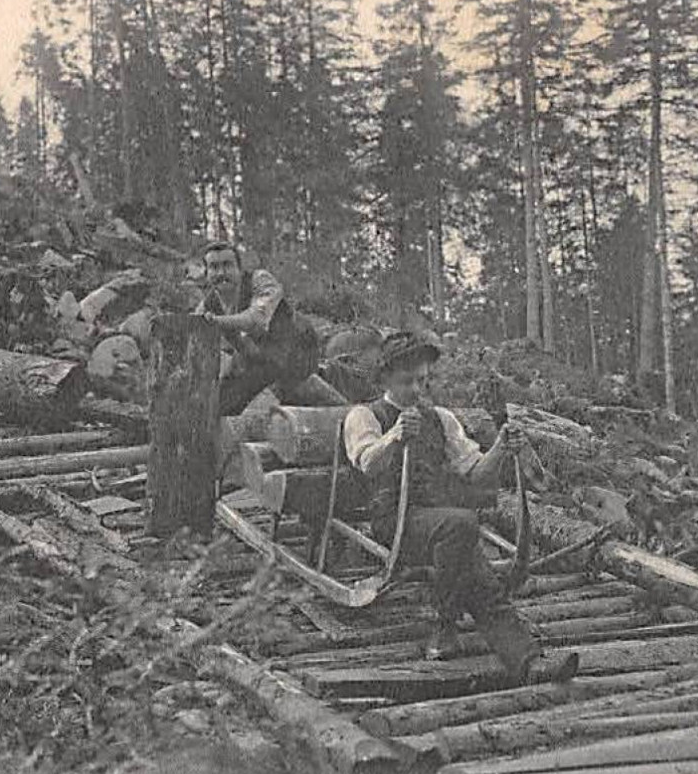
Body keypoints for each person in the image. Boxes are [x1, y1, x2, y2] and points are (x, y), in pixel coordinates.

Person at [342, 332, 577, 685]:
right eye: (408, 382)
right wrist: (395, 436)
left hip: (444, 524)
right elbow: (366, 463)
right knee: (462, 527)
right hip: (396, 521)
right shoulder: (364, 416)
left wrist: (500, 448)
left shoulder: (441, 419)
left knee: (480, 579)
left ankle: (530, 663)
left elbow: (476, 472)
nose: (417, 390)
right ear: (385, 379)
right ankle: (444, 623)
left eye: (422, 380)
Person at [192, 242, 323, 415]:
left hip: (295, 353)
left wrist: (216, 322)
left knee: (287, 393)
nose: (221, 273)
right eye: (214, 267)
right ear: (207, 273)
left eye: (227, 265)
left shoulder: (260, 280)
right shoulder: (208, 304)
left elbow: (257, 318)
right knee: (218, 402)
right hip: (256, 361)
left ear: (239, 269)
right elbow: (194, 332)